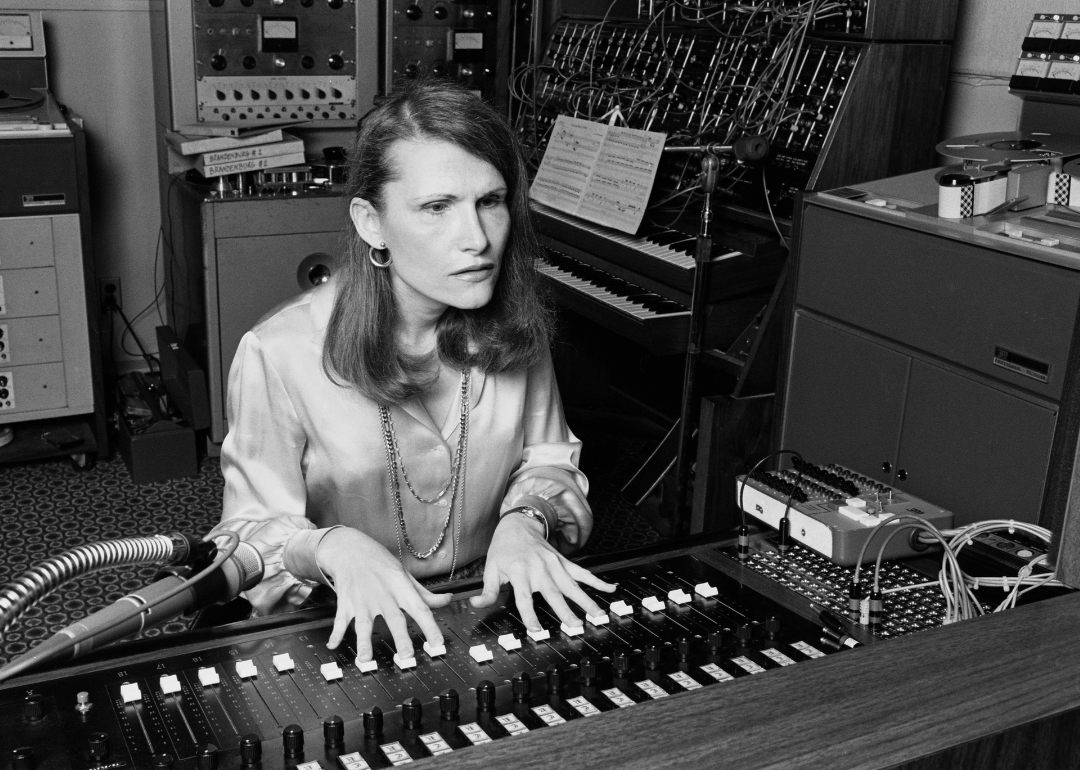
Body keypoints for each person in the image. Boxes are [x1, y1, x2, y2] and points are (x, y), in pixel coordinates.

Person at [213, 78, 615, 667]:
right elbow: (243, 542)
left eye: (491, 201)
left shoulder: (514, 330)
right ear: (371, 223)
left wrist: (527, 520)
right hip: (339, 622)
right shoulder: (279, 353)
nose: (477, 240)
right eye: (436, 208)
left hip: (492, 606)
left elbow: (550, 460)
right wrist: (332, 547)